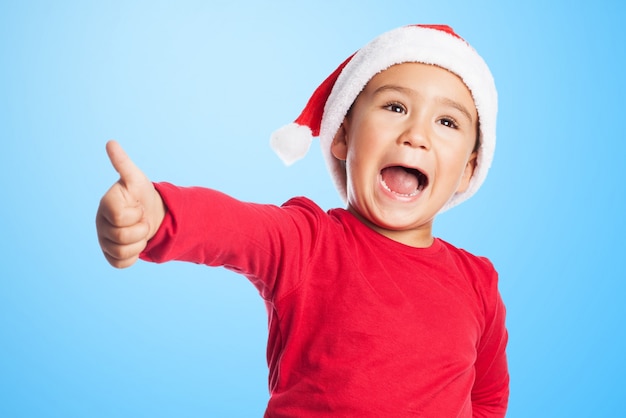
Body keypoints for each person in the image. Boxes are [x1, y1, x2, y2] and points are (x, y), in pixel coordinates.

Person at [96, 24, 509, 417]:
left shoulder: (478, 283)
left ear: (470, 168)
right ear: (342, 135)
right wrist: (158, 213)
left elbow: (487, 398)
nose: (416, 134)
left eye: (447, 122)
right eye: (395, 106)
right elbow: (236, 229)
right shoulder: (309, 242)